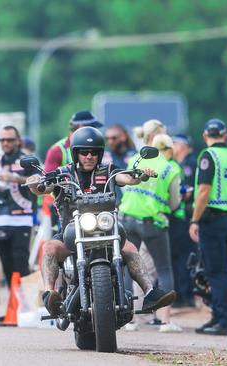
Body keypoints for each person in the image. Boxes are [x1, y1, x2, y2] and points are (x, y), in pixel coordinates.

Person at [27, 127, 175, 318]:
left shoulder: (109, 171)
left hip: (106, 231)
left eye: (94, 152)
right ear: (75, 153)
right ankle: (50, 294)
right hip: (70, 234)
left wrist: (140, 174)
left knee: (129, 248)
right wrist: (34, 181)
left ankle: (150, 293)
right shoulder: (62, 174)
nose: (89, 156)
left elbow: (127, 178)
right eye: (84, 152)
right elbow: (40, 188)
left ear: (100, 153)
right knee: (48, 248)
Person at [120, 124, 181, 333]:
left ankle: (129, 319)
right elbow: (175, 203)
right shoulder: (170, 167)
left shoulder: (134, 159)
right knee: (164, 268)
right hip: (153, 222)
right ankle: (164, 322)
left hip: (127, 218)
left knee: (129, 266)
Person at [189, 118, 227, 336]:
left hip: (211, 219)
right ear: (225, 136)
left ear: (205, 136)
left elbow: (203, 191)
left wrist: (194, 220)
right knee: (225, 271)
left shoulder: (207, 156)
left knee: (215, 272)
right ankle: (219, 316)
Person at [0, 126, 37, 286]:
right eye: (2, 140)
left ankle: (26, 308)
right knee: (7, 269)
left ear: (18, 141)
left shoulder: (27, 161)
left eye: (9, 140)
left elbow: (39, 184)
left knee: (22, 267)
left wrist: (16, 179)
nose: (5, 143)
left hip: (22, 219)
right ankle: (15, 308)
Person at [169, 133, 197, 309]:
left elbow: (190, 192)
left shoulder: (190, 164)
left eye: (175, 143)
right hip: (181, 215)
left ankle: (184, 296)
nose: (173, 146)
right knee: (177, 257)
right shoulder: (179, 164)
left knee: (182, 257)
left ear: (184, 146)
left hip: (187, 215)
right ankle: (181, 294)